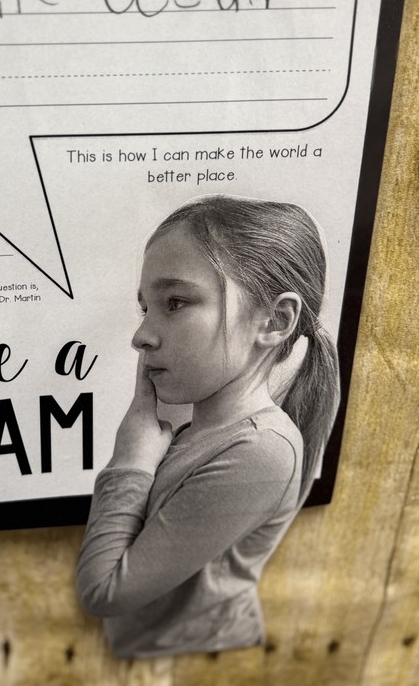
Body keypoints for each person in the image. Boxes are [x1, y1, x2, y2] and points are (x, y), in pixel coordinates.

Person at [77, 194, 340, 658]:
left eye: (175, 302)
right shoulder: (191, 425)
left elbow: (103, 592)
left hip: (205, 660)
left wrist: (130, 461)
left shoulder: (262, 451)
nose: (141, 336)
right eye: (145, 308)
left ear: (275, 320)